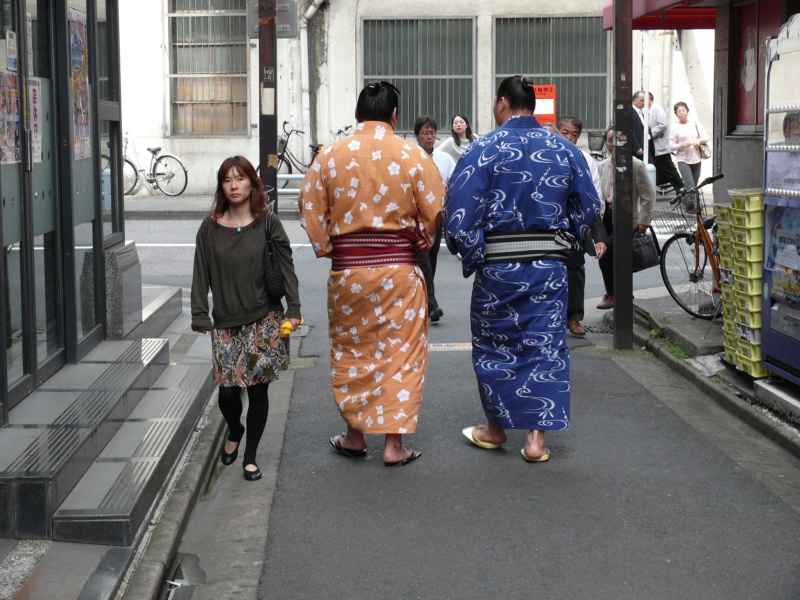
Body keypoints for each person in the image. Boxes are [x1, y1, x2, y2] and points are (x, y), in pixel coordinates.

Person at [444, 75, 601, 462]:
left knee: (496, 345)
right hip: (548, 268)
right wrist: (565, 241)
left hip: (498, 270)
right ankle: (535, 441)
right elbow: (590, 206)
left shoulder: (484, 149)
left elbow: (458, 216)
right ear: (532, 105)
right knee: (545, 345)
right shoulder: (563, 149)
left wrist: (475, 253)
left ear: (502, 103)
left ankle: (496, 429)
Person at [298, 81, 445, 467]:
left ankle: (354, 435)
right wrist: (420, 239)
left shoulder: (330, 156)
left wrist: (331, 247)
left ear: (357, 115)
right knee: (401, 354)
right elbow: (434, 208)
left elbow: (310, 209)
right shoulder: (413, 155)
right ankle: (394, 446)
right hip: (400, 273)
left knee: (353, 351)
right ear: (395, 116)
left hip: (349, 272)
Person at [191, 156, 302, 481]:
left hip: (264, 320)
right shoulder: (209, 227)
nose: (234, 185)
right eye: (227, 180)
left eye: (240, 179)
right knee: (227, 394)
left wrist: (293, 309)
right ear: (221, 187)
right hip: (225, 323)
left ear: (252, 184)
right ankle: (235, 429)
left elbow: (286, 267)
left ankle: (250, 457)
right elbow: (201, 272)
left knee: (257, 391)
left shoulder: (268, 223)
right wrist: (200, 313)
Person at [556, 116, 608, 336]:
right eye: (565, 132)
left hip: (575, 223)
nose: (569, 137)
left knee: (575, 270)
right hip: (549, 223)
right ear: (557, 132)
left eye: (574, 134)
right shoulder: (544, 155)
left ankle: (575, 318)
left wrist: (599, 236)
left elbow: (593, 199)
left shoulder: (585, 160)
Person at [596, 127, 657, 310]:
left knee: (615, 253)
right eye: (609, 140)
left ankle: (617, 293)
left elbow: (649, 195)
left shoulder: (636, 165)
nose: (612, 145)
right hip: (605, 214)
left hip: (626, 217)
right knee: (603, 254)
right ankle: (614, 292)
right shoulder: (600, 166)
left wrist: (644, 220)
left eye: (616, 140)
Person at [413, 115, 456, 322]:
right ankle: (431, 303)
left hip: (437, 216)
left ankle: (424, 301)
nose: (429, 137)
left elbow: (453, 185)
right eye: (424, 133)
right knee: (423, 259)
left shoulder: (445, 159)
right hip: (418, 217)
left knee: (432, 258)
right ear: (416, 136)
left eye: (432, 133)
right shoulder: (411, 157)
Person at [647, 92, 685, 195]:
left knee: (669, 169)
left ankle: (681, 190)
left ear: (648, 99)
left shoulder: (657, 109)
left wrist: (650, 135)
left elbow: (663, 124)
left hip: (659, 145)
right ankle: (678, 189)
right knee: (661, 169)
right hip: (653, 146)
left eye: (643, 100)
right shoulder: (649, 110)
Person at [669, 102, 709, 189]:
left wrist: (699, 141)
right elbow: (671, 146)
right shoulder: (675, 128)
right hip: (683, 159)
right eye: (679, 111)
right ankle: (689, 202)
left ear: (687, 111)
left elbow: (706, 137)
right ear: (676, 114)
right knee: (689, 184)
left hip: (697, 158)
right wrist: (681, 145)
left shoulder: (695, 124)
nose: (681, 112)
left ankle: (690, 201)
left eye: (683, 110)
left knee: (694, 185)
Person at [631, 91, 646, 159]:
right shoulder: (631, 112)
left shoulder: (641, 113)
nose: (644, 103)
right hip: (637, 149)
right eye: (642, 100)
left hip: (644, 147)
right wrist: (637, 147)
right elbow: (631, 131)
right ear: (634, 100)